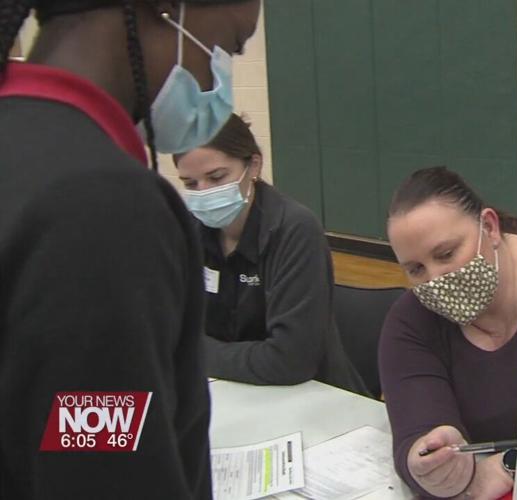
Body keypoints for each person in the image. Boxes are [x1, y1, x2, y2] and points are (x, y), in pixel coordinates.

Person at [0, 0, 260, 497]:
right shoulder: (99, 203)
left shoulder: (21, 145)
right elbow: (98, 458)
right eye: (227, 45)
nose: (217, 79)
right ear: (167, 10)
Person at [379, 166, 517, 498]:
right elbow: (416, 434)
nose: (436, 278)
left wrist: (512, 462)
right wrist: (432, 467)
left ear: (490, 227)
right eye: (416, 269)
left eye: (446, 254)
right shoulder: (410, 323)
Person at [173, 113, 365, 390]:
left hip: (310, 400)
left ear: (253, 165)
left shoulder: (294, 229)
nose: (203, 193)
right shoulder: (190, 230)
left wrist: (194, 352)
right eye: (190, 184)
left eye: (216, 177)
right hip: (228, 390)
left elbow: (289, 361)